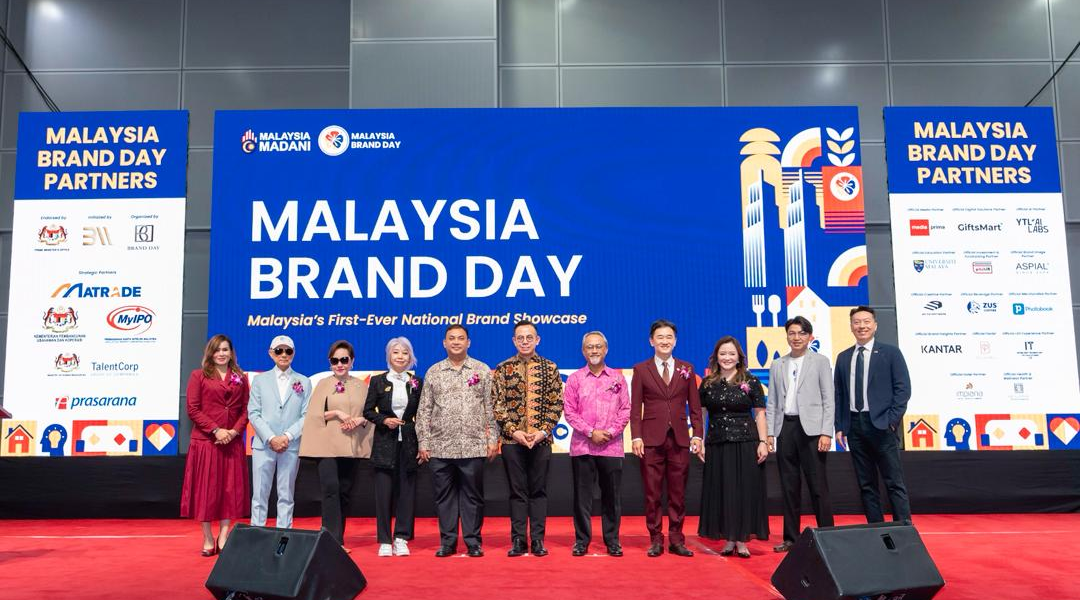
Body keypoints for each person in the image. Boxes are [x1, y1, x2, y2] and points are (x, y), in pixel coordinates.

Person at [416, 324, 497, 558]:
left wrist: (493, 439)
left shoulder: (481, 370)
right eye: (451, 338)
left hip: (473, 445)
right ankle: (448, 542)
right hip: (440, 447)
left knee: (473, 497)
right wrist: (423, 442)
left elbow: (491, 408)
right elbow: (424, 410)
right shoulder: (434, 371)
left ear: (468, 342)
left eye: (461, 338)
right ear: (444, 343)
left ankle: (473, 542)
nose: (456, 342)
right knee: (444, 498)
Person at [630, 319, 704, 557]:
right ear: (651, 341)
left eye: (669, 337)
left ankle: (676, 539)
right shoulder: (641, 369)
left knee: (678, 493)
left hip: (680, 438)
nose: (665, 341)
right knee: (652, 493)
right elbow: (635, 408)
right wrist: (636, 437)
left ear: (675, 341)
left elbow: (695, 406)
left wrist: (698, 434)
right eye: (660, 337)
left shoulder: (687, 368)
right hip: (651, 439)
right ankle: (655, 539)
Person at [491, 320, 564, 557]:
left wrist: (542, 431)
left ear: (537, 340)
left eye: (529, 337)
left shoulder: (550, 368)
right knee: (517, 492)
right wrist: (514, 431)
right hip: (512, 441)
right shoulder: (503, 368)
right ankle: (518, 540)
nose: (525, 341)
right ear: (514, 341)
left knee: (539, 491)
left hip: (541, 441)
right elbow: (497, 404)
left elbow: (557, 403)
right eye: (520, 338)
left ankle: (538, 540)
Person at [834, 306, 912, 523]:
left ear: (875, 325)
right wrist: (840, 426)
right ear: (851, 326)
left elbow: (903, 390)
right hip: (854, 426)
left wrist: (891, 421)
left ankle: (903, 529)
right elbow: (839, 395)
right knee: (866, 484)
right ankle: (876, 530)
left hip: (882, 425)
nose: (862, 326)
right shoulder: (843, 357)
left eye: (866, 321)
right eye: (857, 322)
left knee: (893, 482)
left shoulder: (891, 353)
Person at [766, 316, 835, 553]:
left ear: (810, 337)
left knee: (818, 486)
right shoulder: (778, 364)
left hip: (813, 431)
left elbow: (829, 399)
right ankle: (791, 538)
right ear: (787, 336)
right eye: (792, 333)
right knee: (789, 486)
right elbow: (772, 401)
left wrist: (826, 432)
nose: (796, 338)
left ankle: (827, 536)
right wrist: (770, 433)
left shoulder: (821, 361)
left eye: (802, 333)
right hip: (786, 428)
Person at [298, 340, 373, 552]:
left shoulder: (361, 386)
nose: (339, 364)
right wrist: (337, 413)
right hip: (327, 445)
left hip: (351, 445)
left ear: (352, 361)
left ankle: (337, 537)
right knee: (330, 489)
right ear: (330, 362)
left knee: (345, 491)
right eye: (335, 360)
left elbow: (369, 413)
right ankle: (332, 541)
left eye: (344, 360)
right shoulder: (323, 384)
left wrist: (359, 420)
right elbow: (313, 414)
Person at [698, 336, 769, 557]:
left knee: (743, 491)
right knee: (722, 491)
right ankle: (729, 538)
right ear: (716, 357)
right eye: (723, 354)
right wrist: (700, 440)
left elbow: (760, 414)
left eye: (731, 354)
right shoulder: (707, 383)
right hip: (717, 443)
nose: (727, 358)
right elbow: (701, 415)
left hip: (745, 442)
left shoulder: (751, 381)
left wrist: (763, 442)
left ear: (739, 357)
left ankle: (741, 539)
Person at [180, 334, 250, 556]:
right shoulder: (198, 376)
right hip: (206, 442)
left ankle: (224, 534)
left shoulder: (240, 377)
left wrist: (234, 431)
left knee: (229, 490)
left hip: (232, 442)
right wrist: (216, 430)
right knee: (206, 491)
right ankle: (208, 537)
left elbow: (246, 409)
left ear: (231, 353)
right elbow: (193, 409)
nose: (221, 353)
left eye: (225, 349)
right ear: (210, 353)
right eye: (217, 350)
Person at [563, 331, 630, 557]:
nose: (594, 350)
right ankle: (581, 541)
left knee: (612, 497)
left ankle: (612, 540)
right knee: (582, 498)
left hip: (612, 447)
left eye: (598, 346)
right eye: (590, 347)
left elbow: (625, 410)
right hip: (583, 446)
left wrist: (609, 433)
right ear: (583, 351)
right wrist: (591, 432)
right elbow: (569, 412)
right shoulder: (575, 379)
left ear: (606, 349)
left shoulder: (617, 378)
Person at [363, 337, 423, 557]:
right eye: (396, 352)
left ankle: (401, 538)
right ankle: (385, 540)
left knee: (407, 493)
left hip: (409, 443)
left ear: (411, 357)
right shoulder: (378, 381)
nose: (400, 356)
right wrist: (384, 420)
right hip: (384, 443)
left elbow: (423, 413)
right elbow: (368, 411)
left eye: (405, 353)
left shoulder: (417, 382)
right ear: (389, 355)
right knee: (383, 493)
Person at [247, 335, 311, 530]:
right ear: (271, 353)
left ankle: (284, 536)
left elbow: (306, 415)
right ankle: (257, 534)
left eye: (288, 351)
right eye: (279, 350)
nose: (283, 354)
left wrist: (287, 437)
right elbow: (253, 412)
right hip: (263, 445)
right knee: (259, 494)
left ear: (294, 353)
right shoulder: (259, 380)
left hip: (290, 446)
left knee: (286, 495)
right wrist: (271, 438)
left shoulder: (304, 381)